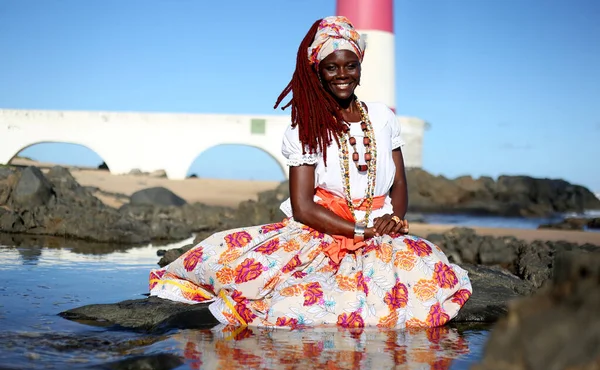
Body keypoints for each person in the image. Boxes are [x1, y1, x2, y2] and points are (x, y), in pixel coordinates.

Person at [149, 16, 472, 329]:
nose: (342, 74)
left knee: (420, 288)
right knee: (289, 298)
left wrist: (396, 219)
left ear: (361, 65)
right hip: (325, 231)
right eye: (331, 67)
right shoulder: (306, 126)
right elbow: (303, 206)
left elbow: (399, 181)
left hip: (382, 233)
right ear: (317, 71)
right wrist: (359, 232)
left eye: (350, 65)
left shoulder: (383, 117)